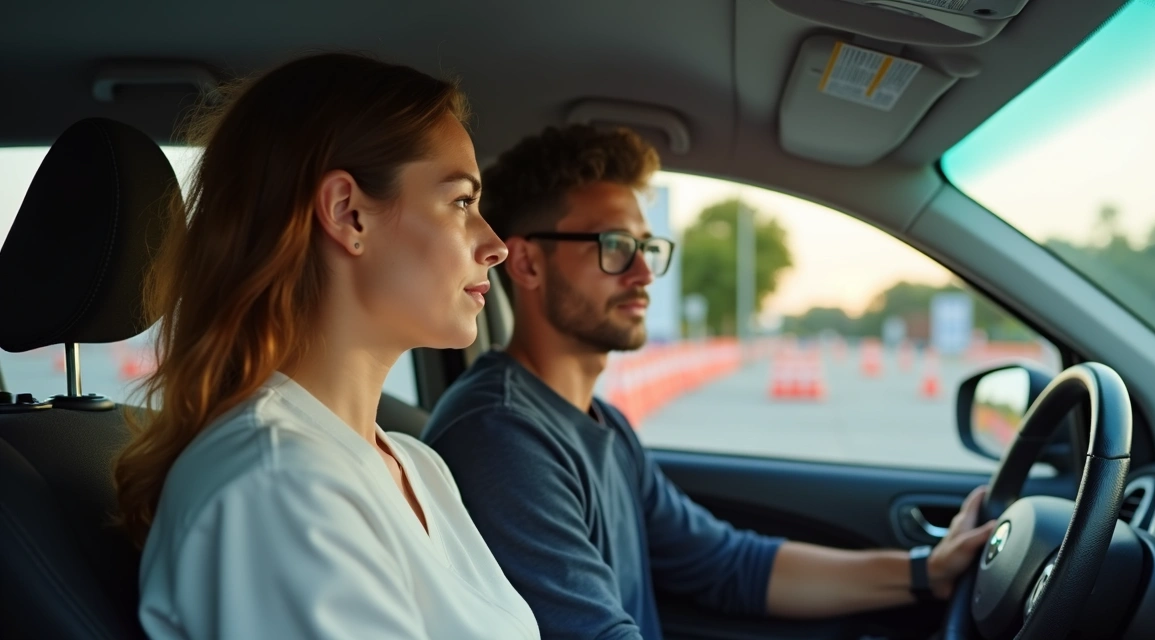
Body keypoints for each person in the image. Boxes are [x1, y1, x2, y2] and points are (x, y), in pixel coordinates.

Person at [423, 124, 996, 639]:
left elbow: (727, 564)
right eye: (617, 247)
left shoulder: (602, 424)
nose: (646, 272)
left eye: (647, 248)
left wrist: (927, 571)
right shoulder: (501, 436)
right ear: (525, 264)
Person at [112, 53, 540, 639]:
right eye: (462, 202)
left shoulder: (418, 466)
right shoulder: (277, 486)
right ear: (348, 213)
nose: (496, 246)